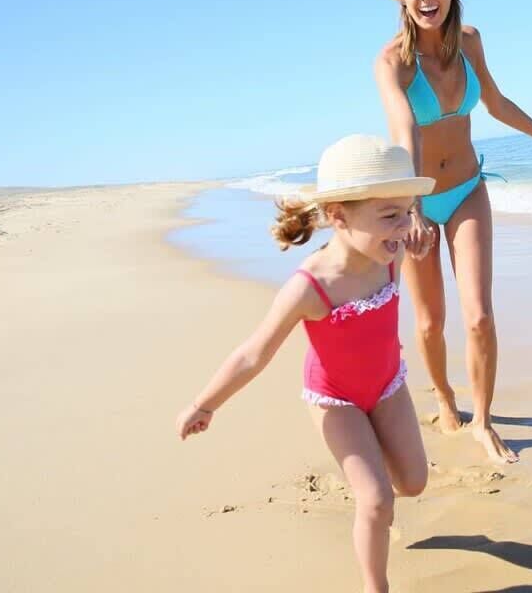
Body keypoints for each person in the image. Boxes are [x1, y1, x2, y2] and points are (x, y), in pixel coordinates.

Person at [176, 134, 434, 593]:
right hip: (335, 399)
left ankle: (375, 472)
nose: (404, 226)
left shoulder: (391, 252)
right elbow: (253, 353)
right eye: (389, 215)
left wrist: (418, 242)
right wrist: (204, 404)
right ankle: (376, 586)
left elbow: (409, 239)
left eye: (408, 211)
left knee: (413, 483)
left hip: (387, 385)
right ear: (338, 215)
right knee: (377, 501)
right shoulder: (310, 287)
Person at [374, 0, 532, 463]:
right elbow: (404, 132)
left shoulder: (469, 41)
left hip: (467, 189)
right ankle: (445, 397)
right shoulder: (392, 62)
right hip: (417, 200)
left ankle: (483, 421)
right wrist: (412, 207)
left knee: (480, 316)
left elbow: (496, 102)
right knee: (428, 323)